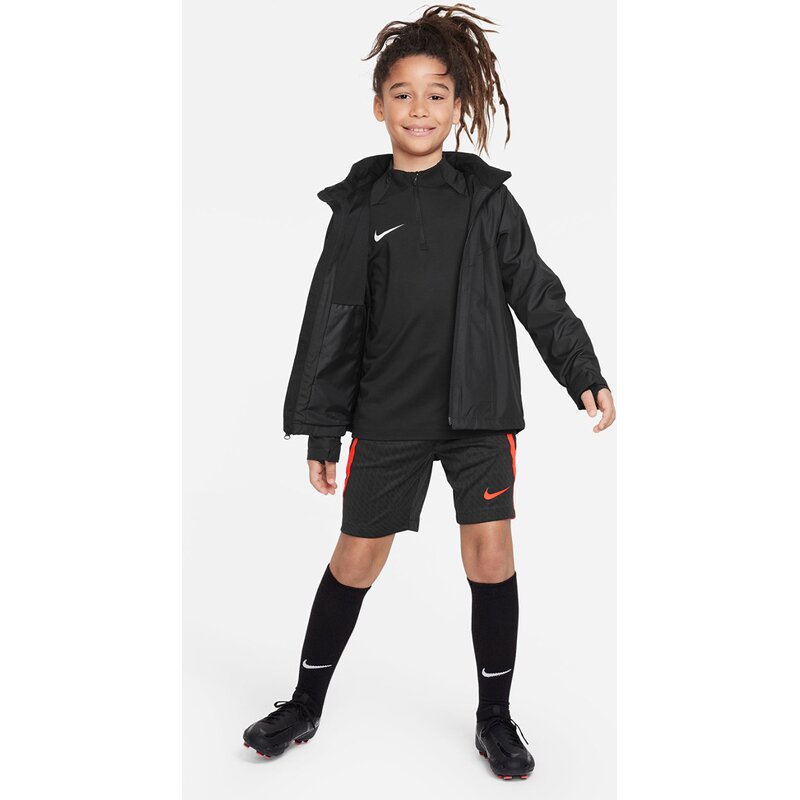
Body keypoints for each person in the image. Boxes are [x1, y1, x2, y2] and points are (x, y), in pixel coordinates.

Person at [243, 3, 616, 780]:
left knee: (491, 553)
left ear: (458, 104)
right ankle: (304, 704)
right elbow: (333, 324)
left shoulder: (486, 202)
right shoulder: (360, 210)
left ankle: (495, 717)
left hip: (479, 415)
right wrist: (322, 430)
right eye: (403, 93)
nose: (420, 108)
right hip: (388, 417)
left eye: (437, 94)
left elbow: (537, 293)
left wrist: (582, 370)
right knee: (356, 558)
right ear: (378, 105)